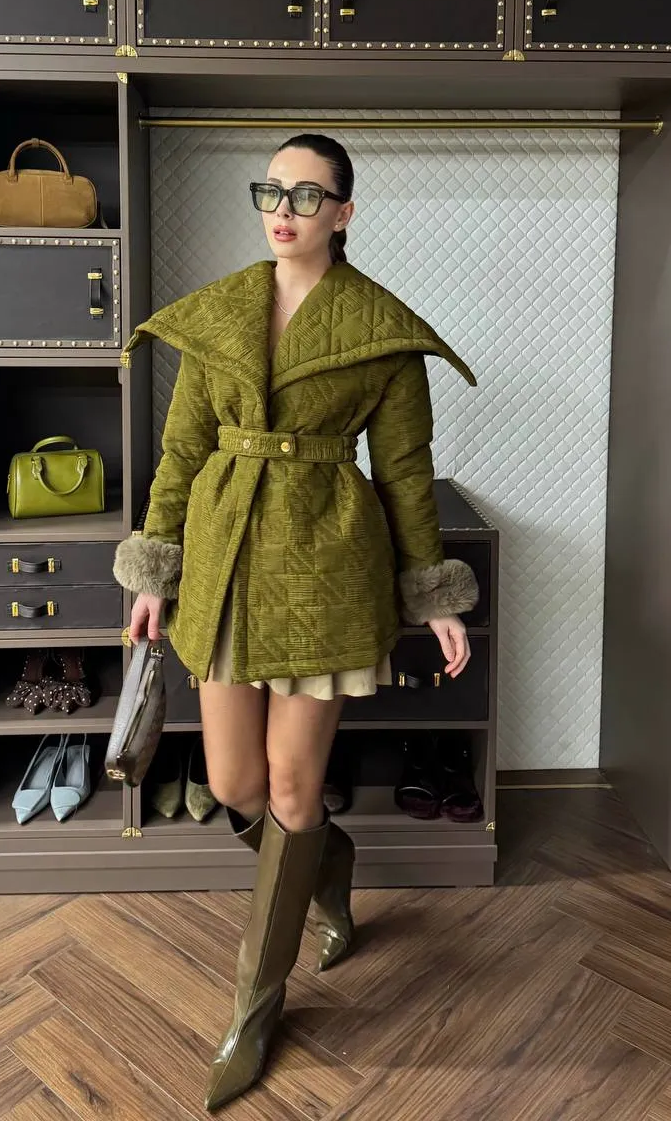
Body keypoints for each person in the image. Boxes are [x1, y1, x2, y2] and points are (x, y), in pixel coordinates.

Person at [113, 132, 479, 1111]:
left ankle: (255, 1003)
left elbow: (404, 474)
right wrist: (155, 566)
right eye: (272, 190)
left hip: (327, 563)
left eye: (308, 194)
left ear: (344, 212)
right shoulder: (221, 313)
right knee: (235, 782)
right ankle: (330, 857)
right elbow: (181, 452)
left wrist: (433, 595)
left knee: (289, 781)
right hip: (226, 557)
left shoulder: (380, 330)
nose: (285, 209)